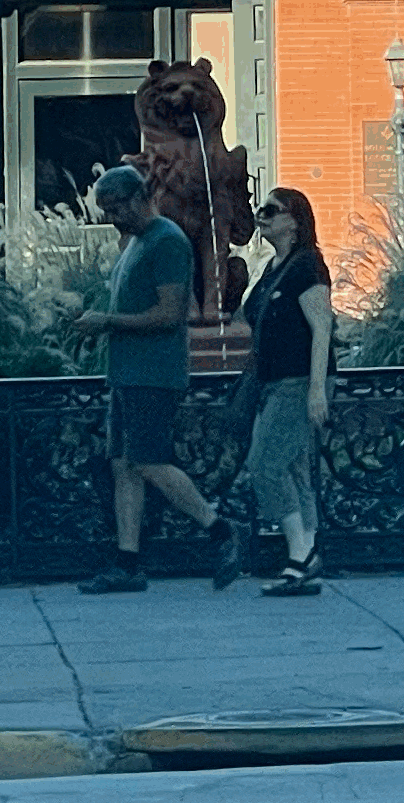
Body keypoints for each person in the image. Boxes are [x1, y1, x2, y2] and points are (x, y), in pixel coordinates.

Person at [71, 161, 241, 594]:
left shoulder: (167, 242)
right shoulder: (135, 243)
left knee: (148, 460)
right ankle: (128, 562)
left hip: (154, 373)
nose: (110, 217)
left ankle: (219, 528)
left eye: (115, 207)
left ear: (139, 198)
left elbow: (168, 315)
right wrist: (103, 328)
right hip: (128, 371)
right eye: (104, 209)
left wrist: (107, 322)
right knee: (124, 464)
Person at [238, 186, 336, 595]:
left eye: (271, 211)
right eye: (260, 209)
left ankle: (299, 555)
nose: (261, 216)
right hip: (274, 381)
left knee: (265, 464)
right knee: (293, 468)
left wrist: (317, 389)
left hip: (297, 382)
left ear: (294, 220)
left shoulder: (307, 265)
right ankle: (307, 554)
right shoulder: (273, 267)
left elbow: (322, 327)